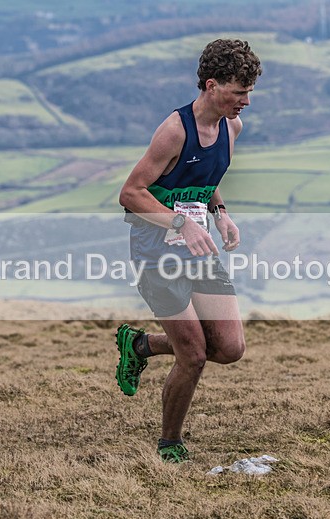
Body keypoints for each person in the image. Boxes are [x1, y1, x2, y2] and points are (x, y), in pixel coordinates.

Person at [115, 38, 262, 463]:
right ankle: (170, 443)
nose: (246, 102)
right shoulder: (174, 129)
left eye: (250, 92)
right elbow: (131, 193)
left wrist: (220, 213)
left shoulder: (231, 127)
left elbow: (203, 176)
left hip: (198, 246)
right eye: (239, 91)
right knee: (194, 355)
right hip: (155, 249)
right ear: (212, 85)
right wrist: (179, 222)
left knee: (230, 348)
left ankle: (140, 346)